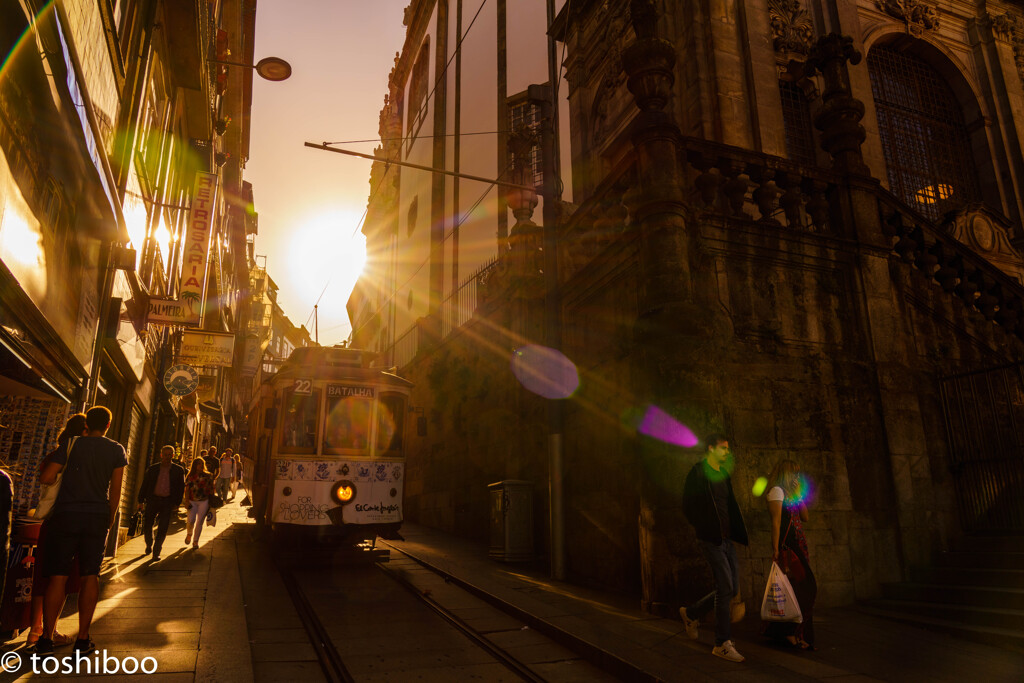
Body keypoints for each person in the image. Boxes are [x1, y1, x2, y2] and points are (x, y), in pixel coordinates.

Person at [36, 406, 126, 656]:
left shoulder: (72, 444)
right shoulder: (116, 449)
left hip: (65, 516)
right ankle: (83, 640)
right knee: (90, 576)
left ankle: (45, 639)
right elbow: (116, 491)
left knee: (58, 577)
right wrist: (108, 521)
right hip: (96, 517)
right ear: (108, 425)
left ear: (88, 424)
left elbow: (46, 477)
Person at [679, 433, 749, 663]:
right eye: (722, 449)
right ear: (711, 449)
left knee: (731, 587)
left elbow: (728, 505)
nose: (726, 453)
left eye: (728, 449)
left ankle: (691, 613)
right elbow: (687, 505)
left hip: (726, 539)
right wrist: (705, 527)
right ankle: (721, 643)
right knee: (725, 587)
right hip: (711, 539)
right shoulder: (698, 473)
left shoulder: (723, 475)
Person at [27, 413, 87, 648]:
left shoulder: (55, 453)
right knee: (60, 578)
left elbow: (44, 479)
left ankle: (35, 629)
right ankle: (49, 632)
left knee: (43, 575)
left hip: (49, 521)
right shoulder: (77, 455)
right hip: (69, 522)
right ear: (83, 431)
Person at [763, 459, 816, 650]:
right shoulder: (776, 491)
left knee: (798, 588)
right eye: (794, 473)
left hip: (799, 543)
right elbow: (776, 522)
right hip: (788, 545)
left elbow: (805, 517)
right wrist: (776, 549)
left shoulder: (790, 493)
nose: (796, 476)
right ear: (786, 474)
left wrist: (799, 494)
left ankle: (785, 632)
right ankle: (789, 632)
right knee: (805, 587)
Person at [136, 445, 185, 561]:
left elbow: (180, 488)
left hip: (167, 502)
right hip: (153, 500)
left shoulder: (178, 470)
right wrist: (140, 500)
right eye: (165, 455)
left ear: (173, 456)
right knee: (148, 524)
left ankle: (156, 552)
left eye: (170, 455)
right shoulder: (153, 469)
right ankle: (149, 543)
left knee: (163, 527)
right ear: (161, 455)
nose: (167, 457)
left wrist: (177, 503)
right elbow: (145, 484)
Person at [184, 459, 215, 549]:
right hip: (192, 500)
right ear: (194, 465)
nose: (200, 465)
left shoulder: (209, 475)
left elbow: (212, 488)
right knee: (191, 520)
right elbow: (187, 489)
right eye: (198, 464)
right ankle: (189, 533)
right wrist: (186, 501)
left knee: (200, 522)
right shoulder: (190, 476)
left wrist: (211, 501)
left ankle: (195, 541)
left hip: (204, 501)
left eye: (202, 464)